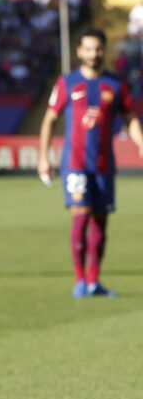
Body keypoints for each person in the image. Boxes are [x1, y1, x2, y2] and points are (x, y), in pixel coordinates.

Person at [37, 27, 143, 298]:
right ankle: (80, 280)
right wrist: (43, 157)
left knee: (100, 222)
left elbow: (129, 117)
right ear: (79, 51)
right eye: (88, 48)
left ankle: (94, 281)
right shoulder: (67, 83)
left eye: (98, 49)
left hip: (104, 164)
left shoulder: (115, 84)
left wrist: (141, 142)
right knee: (81, 217)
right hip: (75, 163)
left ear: (103, 51)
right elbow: (50, 119)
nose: (93, 53)